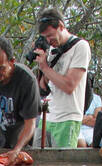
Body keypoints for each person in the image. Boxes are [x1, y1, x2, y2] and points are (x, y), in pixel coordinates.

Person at [30, 8, 90, 148]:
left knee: (63, 165)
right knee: (38, 162)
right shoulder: (51, 49)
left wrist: (45, 67)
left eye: (50, 35)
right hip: (49, 115)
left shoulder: (80, 47)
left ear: (61, 26)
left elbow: (69, 86)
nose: (49, 41)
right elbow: (44, 87)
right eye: (45, 37)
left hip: (68, 118)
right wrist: (42, 65)